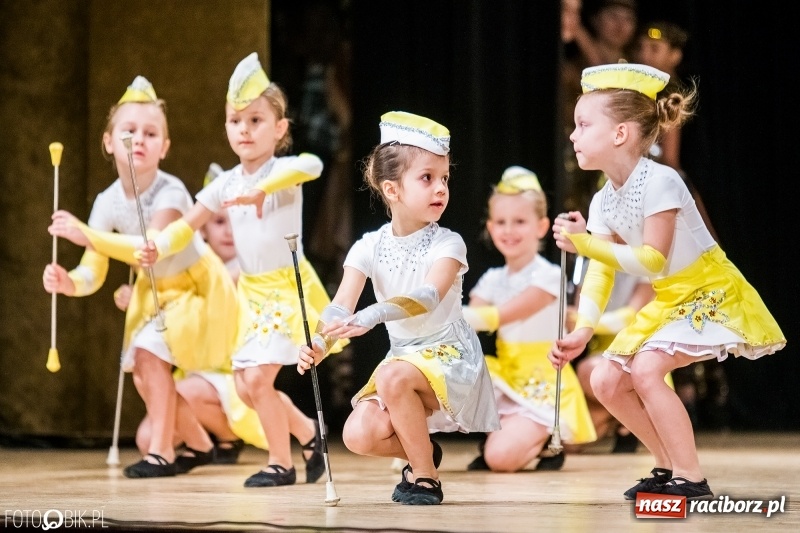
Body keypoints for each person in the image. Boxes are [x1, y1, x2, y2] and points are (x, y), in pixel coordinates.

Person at [548, 63, 786, 501]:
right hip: (671, 297)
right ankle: (666, 463)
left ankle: (691, 475)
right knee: (605, 380)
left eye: (583, 124)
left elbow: (651, 257)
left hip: (708, 290)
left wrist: (585, 245)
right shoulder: (603, 198)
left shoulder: (662, 180)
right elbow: (601, 270)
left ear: (620, 133)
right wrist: (583, 328)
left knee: (647, 368)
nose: (572, 135)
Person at [137, 52, 346, 488]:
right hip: (249, 296)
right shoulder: (226, 182)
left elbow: (315, 165)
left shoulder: (284, 169)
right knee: (248, 389)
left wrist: (262, 189)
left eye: (256, 120)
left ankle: (279, 462)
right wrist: (156, 246)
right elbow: (186, 226)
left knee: (256, 378)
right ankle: (310, 435)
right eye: (236, 121)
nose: (245, 130)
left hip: (286, 290)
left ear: (280, 128)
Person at [298, 111, 500, 505]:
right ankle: (421, 452)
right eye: (427, 178)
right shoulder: (368, 247)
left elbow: (428, 296)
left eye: (444, 178)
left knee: (391, 376)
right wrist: (321, 343)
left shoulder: (449, 244)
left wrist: (374, 315)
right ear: (392, 190)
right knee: (358, 433)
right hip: (404, 357)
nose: (440, 187)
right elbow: (340, 305)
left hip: (448, 353)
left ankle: (425, 478)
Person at [42, 76, 239, 478]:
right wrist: (70, 282)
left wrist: (87, 234)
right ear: (109, 141)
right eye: (128, 131)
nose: (139, 139)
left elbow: (151, 247)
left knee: (150, 355)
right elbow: (93, 270)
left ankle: (163, 452)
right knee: (146, 377)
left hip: (198, 289)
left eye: (151, 133)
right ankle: (199, 445)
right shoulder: (106, 202)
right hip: (155, 294)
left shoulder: (172, 192)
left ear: (164, 148)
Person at [115, 163, 266, 465]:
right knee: (146, 440)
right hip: (192, 369)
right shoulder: (192, 270)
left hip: (231, 375)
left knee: (185, 392)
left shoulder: (250, 268)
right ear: (204, 229)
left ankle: (228, 437)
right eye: (220, 222)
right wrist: (141, 298)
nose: (229, 231)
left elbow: (213, 289)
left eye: (236, 222)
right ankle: (200, 443)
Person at [461, 166, 596, 473]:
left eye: (519, 221)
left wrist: (442, 313)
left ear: (541, 226)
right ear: (490, 227)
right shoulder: (492, 279)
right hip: (505, 377)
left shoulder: (549, 277)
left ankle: (543, 441)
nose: (508, 230)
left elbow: (492, 317)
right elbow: (467, 324)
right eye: (500, 222)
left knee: (501, 459)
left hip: (540, 383)